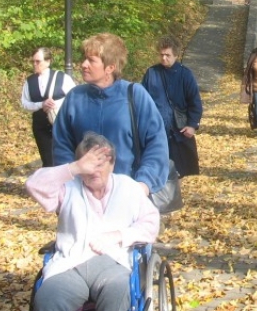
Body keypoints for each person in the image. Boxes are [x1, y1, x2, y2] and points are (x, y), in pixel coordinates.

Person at [27, 132, 160, 311]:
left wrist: (118, 235)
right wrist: (73, 168)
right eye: (88, 165)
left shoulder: (129, 188)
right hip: (70, 264)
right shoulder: (67, 189)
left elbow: (151, 225)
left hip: (115, 263)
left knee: (119, 294)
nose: (93, 170)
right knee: (48, 298)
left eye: (99, 164)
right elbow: (33, 185)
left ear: (112, 164)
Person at [53, 33, 169, 197]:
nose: (84, 64)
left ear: (110, 67)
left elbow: (157, 144)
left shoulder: (135, 95)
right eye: (84, 58)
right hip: (83, 197)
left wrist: (143, 184)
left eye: (91, 60)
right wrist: (69, 185)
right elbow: (61, 146)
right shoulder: (74, 98)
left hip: (127, 195)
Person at [141, 36, 203, 177]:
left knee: (180, 171)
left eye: (167, 55)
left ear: (175, 55)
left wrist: (192, 125)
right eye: (161, 55)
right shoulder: (151, 74)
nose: (164, 58)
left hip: (178, 131)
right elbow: (142, 101)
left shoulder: (185, 75)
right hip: (156, 130)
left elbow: (195, 102)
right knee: (158, 171)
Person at [21, 47, 76, 167]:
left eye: (38, 61)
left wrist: (56, 105)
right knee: (48, 161)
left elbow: (74, 98)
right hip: (40, 126)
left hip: (61, 125)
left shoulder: (62, 78)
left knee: (65, 158)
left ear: (48, 61)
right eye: (33, 61)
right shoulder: (29, 81)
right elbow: (25, 103)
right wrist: (40, 104)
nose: (35, 64)